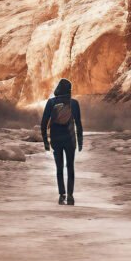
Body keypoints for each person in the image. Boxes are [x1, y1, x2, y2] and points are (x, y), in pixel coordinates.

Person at [40, 77, 83, 205]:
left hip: (56, 139)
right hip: (70, 140)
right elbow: (78, 124)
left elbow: (43, 123)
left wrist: (45, 142)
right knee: (70, 167)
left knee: (59, 168)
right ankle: (70, 195)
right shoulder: (74, 103)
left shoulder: (51, 102)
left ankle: (61, 194)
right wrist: (80, 141)